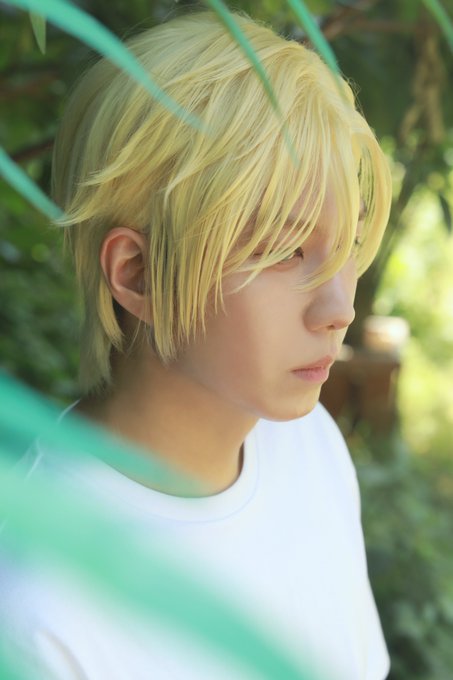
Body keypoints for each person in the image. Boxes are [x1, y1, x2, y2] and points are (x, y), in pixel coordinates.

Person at [0, 9, 392, 680]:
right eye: (284, 250)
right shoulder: (40, 604)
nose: (339, 309)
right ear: (137, 274)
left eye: (347, 245)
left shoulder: (309, 447)